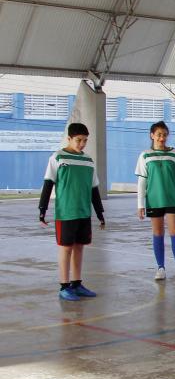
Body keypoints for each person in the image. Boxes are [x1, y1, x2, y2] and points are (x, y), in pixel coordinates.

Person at [38, 123, 106, 301]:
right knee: (66, 248)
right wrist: (42, 209)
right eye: (78, 140)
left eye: (85, 140)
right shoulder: (58, 157)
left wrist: (100, 212)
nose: (82, 144)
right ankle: (64, 286)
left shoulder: (88, 160)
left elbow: (94, 189)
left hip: (84, 212)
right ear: (69, 138)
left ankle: (77, 283)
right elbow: (48, 183)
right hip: (66, 212)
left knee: (79, 248)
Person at [136, 121, 175, 281]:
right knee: (158, 233)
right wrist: (140, 204)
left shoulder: (174, 153)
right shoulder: (145, 155)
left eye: (165, 135)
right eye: (159, 134)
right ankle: (160, 267)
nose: (162, 138)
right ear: (152, 135)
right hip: (154, 200)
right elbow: (142, 181)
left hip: (172, 199)